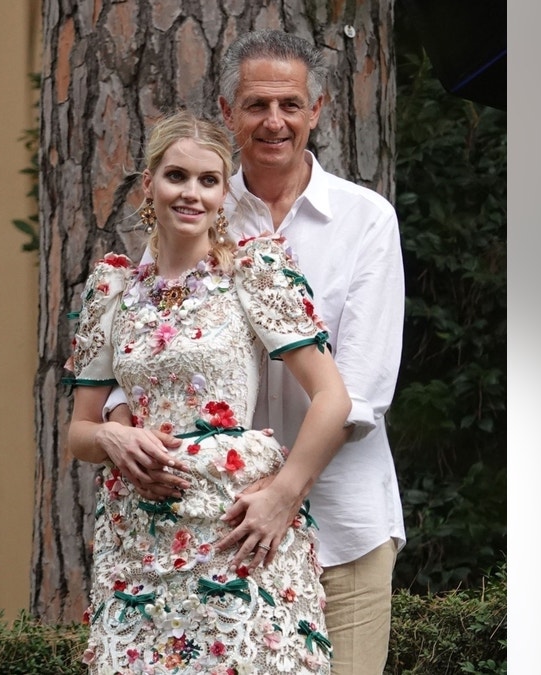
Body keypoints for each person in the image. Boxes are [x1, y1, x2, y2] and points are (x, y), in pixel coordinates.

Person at [99, 30, 408, 675]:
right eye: (256, 105)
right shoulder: (193, 206)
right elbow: (141, 349)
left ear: (316, 112)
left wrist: (282, 491)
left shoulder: (365, 219)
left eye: (290, 105)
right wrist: (122, 434)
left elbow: (362, 389)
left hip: (341, 522)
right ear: (226, 110)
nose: (274, 122)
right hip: (209, 532)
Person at [65, 110, 352, 674]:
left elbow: (333, 400)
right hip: (139, 539)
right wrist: (109, 438)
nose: (191, 193)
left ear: (224, 192)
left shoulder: (252, 271)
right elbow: (79, 431)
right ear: (148, 183)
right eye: (176, 176)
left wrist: (282, 496)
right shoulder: (113, 291)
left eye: (208, 180)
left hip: (238, 532)